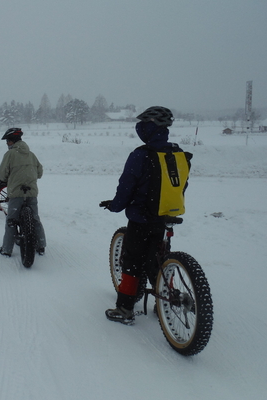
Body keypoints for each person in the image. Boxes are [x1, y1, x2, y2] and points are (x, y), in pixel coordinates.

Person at [99, 106, 180, 325]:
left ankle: (125, 309)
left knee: (133, 262)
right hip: (164, 216)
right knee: (159, 259)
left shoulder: (141, 155)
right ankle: (165, 301)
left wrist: (115, 206)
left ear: (149, 127)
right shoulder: (175, 153)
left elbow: (126, 187)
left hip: (141, 219)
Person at [0, 128, 46, 257]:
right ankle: (41, 245)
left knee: (11, 220)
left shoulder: (9, 155)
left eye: (7, 142)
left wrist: (8, 179)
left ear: (12, 141)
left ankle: (7, 249)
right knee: (35, 219)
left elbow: (2, 174)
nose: (7, 144)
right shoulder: (31, 154)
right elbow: (40, 172)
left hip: (16, 194)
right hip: (31, 193)